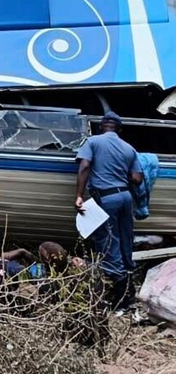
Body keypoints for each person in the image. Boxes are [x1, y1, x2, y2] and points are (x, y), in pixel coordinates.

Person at [75, 111, 143, 312]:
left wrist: (79, 195)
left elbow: (85, 165)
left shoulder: (92, 142)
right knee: (125, 242)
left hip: (106, 199)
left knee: (108, 243)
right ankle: (130, 293)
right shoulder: (129, 148)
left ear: (101, 127)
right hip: (125, 197)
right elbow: (137, 178)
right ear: (119, 130)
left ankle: (121, 302)